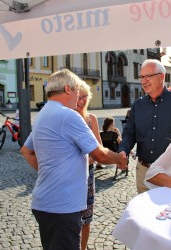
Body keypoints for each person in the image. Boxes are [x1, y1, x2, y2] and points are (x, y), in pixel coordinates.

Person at [20, 69, 127, 250]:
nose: (79, 97)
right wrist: (120, 159)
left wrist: (50, 172)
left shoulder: (44, 113)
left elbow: (26, 151)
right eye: (78, 91)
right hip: (62, 207)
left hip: (46, 203)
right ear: (68, 89)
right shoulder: (68, 115)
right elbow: (98, 154)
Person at [118, 59, 171, 194]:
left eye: (148, 76)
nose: (143, 81)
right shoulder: (138, 105)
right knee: (145, 212)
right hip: (144, 171)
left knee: (170, 211)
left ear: (161, 77)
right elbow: (129, 132)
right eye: (141, 77)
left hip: (170, 171)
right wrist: (123, 150)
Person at [75, 81, 101, 250]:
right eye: (79, 96)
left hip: (87, 175)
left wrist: (88, 159)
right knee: (68, 217)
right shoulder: (64, 118)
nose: (82, 101)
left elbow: (99, 147)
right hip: (68, 176)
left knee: (86, 218)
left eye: (85, 97)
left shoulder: (91, 119)